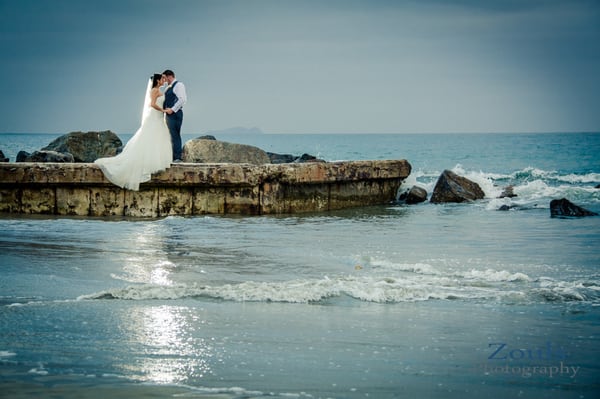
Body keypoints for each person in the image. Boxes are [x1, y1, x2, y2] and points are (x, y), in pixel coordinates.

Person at [94, 74, 173, 191]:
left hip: (159, 118)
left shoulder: (160, 90)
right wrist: (163, 110)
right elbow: (152, 104)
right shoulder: (155, 90)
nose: (164, 80)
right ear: (157, 81)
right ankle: (147, 164)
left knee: (157, 139)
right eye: (162, 79)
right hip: (154, 117)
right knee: (150, 138)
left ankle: (155, 162)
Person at [162, 69, 187, 162]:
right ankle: (172, 156)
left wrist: (172, 109)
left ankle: (177, 157)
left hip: (175, 114)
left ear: (170, 76)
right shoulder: (168, 87)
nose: (164, 80)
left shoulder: (179, 85)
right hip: (169, 115)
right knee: (170, 135)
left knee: (175, 135)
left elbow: (182, 99)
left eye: (165, 78)